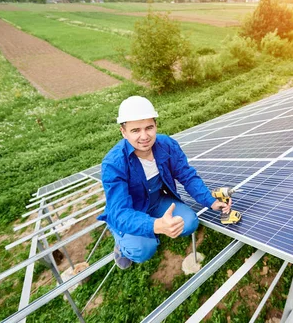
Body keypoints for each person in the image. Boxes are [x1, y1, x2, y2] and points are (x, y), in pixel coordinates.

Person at [98, 96, 232, 269]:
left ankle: (154, 226)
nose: (144, 136)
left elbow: (186, 175)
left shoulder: (166, 145)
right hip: (130, 209)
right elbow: (121, 211)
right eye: (135, 130)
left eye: (149, 128)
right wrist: (155, 225)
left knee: (190, 223)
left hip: (156, 200)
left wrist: (211, 201)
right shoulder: (113, 164)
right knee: (144, 250)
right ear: (123, 132)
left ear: (156, 125)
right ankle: (122, 244)